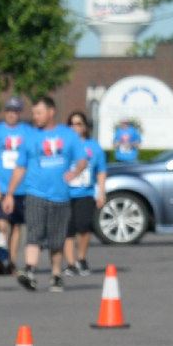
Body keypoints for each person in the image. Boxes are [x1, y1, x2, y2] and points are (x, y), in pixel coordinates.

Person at [1, 95, 84, 292]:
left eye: (39, 112)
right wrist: (10, 193)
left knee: (56, 240)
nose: (35, 116)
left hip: (60, 196)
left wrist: (75, 172)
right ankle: (29, 271)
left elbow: (82, 159)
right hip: (35, 193)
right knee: (34, 233)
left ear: (51, 112)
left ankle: (56, 274)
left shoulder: (68, 135)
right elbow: (20, 167)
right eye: (34, 113)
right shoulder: (30, 137)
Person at [0, 96, 34, 267]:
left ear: (19, 113)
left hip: (21, 188)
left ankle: (11, 260)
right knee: (1, 225)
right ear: (5, 112)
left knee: (16, 226)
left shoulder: (27, 132)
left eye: (15, 111)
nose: (12, 114)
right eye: (9, 111)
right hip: (0, 187)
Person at [63, 110, 106, 276]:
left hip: (85, 193)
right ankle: (71, 263)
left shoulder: (93, 147)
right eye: (71, 124)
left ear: (85, 127)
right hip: (66, 194)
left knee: (84, 226)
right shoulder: (64, 146)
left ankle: (81, 258)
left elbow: (101, 171)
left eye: (78, 124)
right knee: (68, 229)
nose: (75, 127)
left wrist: (101, 192)